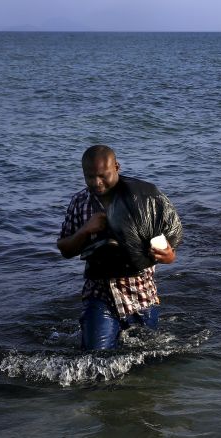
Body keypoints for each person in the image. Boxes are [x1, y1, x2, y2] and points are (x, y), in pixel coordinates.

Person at [57, 145, 183, 350]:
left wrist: (168, 255)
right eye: (90, 177)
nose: (97, 183)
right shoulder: (80, 203)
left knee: (146, 361)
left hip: (141, 296)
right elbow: (64, 249)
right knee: (95, 360)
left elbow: (169, 255)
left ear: (117, 167)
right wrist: (85, 230)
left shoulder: (144, 200)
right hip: (99, 295)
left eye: (103, 175)